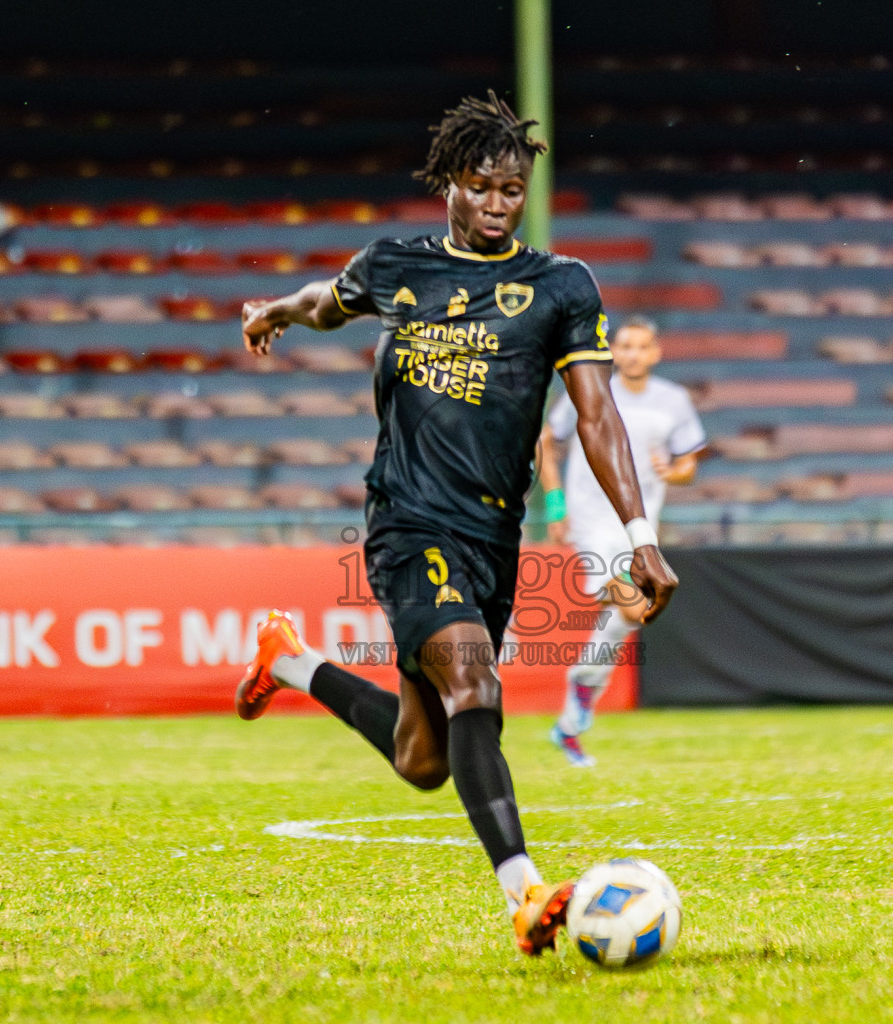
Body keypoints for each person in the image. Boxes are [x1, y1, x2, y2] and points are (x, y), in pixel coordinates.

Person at [234, 93, 679, 956]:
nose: (497, 204)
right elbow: (324, 300)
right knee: (476, 683)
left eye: (512, 189)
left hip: (492, 538)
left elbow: (596, 416)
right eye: (481, 186)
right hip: (407, 522)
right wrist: (273, 314)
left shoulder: (561, 288)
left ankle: (287, 660)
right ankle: (525, 894)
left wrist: (640, 536)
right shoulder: (396, 265)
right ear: (449, 184)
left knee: (424, 761)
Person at [538, 316, 704, 766]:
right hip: (591, 520)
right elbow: (547, 442)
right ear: (613, 350)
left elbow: (689, 461)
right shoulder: (590, 389)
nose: (631, 354)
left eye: (641, 347)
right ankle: (578, 704)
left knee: (627, 616)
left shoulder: (673, 400)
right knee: (632, 607)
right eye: (624, 346)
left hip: (639, 526)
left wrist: (675, 471)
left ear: (655, 353)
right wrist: (555, 505)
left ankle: (575, 710)